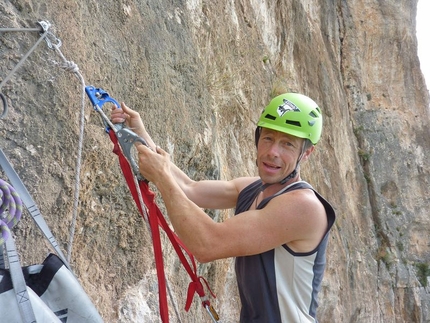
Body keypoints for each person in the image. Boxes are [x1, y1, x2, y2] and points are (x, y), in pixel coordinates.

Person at [111, 93, 336, 322]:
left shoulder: (303, 207)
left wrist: (161, 177)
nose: (273, 152)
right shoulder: (252, 189)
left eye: (287, 144)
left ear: (306, 153)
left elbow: (208, 244)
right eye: (268, 138)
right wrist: (140, 137)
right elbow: (190, 188)